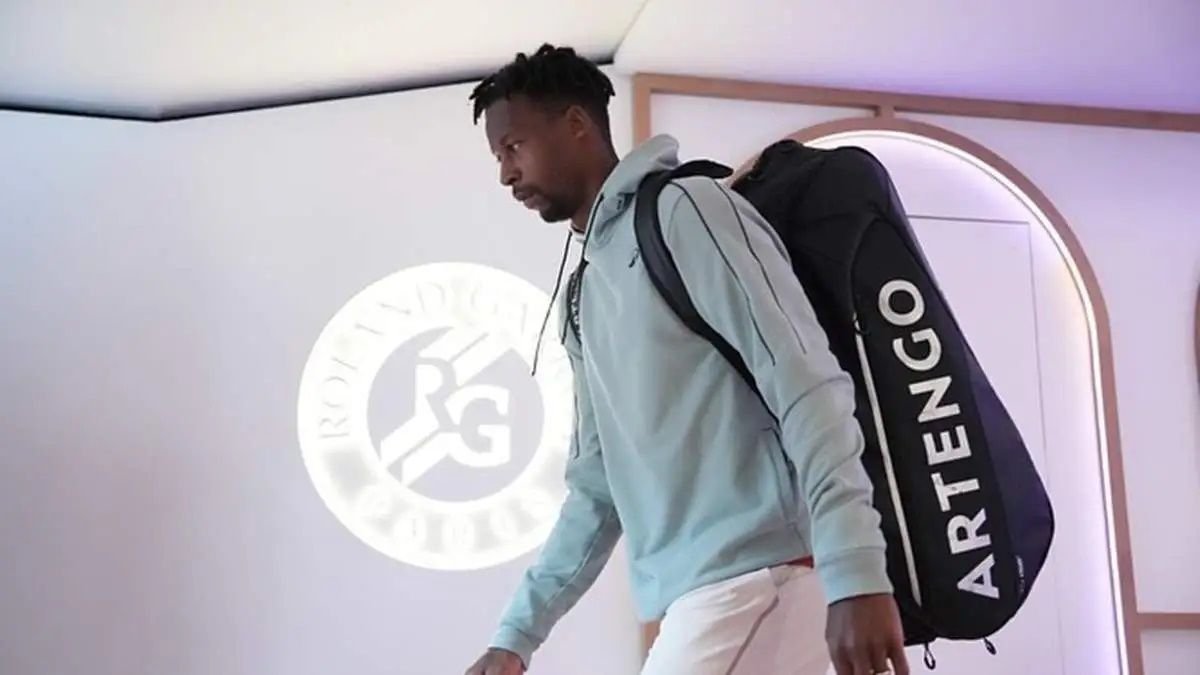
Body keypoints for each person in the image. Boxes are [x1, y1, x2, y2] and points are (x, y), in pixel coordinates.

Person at [463, 44, 909, 675]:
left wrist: (856, 569)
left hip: (771, 575)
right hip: (707, 595)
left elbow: (806, 382)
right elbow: (597, 489)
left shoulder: (687, 211)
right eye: (498, 157)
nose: (506, 174)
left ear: (576, 124)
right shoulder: (582, 295)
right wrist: (516, 637)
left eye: (514, 147)